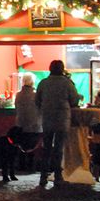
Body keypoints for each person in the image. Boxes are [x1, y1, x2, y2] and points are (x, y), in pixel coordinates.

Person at [35, 59, 80, 188]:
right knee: (59, 148)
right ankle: (57, 176)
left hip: (47, 118)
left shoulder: (43, 83)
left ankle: (43, 176)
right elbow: (74, 100)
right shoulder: (67, 83)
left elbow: (37, 100)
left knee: (46, 148)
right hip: (62, 119)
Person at [14, 74, 42, 172]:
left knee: (22, 145)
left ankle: (21, 166)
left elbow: (16, 108)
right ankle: (31, 166)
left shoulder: (18, 94)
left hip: (20, 125)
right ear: (33, 82)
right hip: (35, 125)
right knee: (32, 147)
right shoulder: (36, 95)